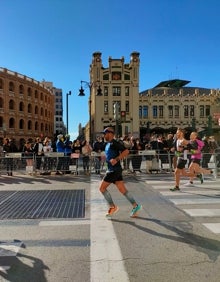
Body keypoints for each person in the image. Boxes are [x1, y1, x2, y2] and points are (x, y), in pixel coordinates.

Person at [99, 127, 142, 217]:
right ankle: (135, 206)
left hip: (113, 170)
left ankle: (112, 207)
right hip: (115, 169)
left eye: (105, 133)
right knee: (123, 190)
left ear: (111, 133)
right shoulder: (107, 144)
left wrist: (116, 159)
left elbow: (126, 151)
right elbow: (109, 155)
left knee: (102, 188)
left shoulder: (115, 143)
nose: (104, 135)